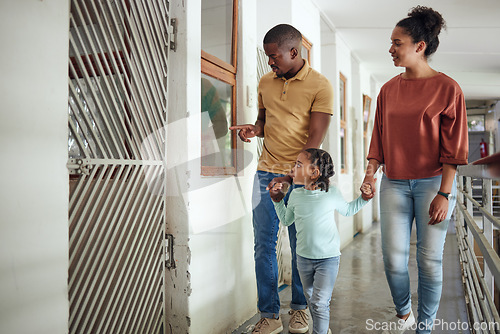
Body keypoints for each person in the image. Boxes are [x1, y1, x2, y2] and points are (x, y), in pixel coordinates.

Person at [362, 6, 468, 334]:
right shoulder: (387, 91)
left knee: (430, 262)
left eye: (397, 43)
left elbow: (454, 149)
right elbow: (378, 136)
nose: (391, 49)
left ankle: (424, 327)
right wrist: (370, 174)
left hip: (433, 183)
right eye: (391, 43)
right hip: (393, 182)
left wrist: (444, 194)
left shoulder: (448, 89)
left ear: (419, 46)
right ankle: (404, 312)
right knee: (394, 261)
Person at [230, 24, 334, 334]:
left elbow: (315, 138)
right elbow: (264, 121)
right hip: (265, 172)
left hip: (302, 177)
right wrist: (255, 129)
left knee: (301, 245)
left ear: (294, 51)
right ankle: (269, 315)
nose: (271, 63)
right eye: (268, 58)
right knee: (263, 244)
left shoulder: (320, 85)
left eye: (274, 57)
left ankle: (300, 310)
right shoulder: (266, 81)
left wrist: (291, 178)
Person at [269, 149, 372, 334]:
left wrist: (364, 199)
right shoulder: (295, 196)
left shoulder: (331, 193)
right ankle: (322, 329)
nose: (293, 168)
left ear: (314, 173)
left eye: (299, 165)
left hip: (328, 259)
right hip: (303, 259)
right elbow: (286, 220)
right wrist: (277, 200)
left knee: (319, 302)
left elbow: (348, 210)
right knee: (312, 299)